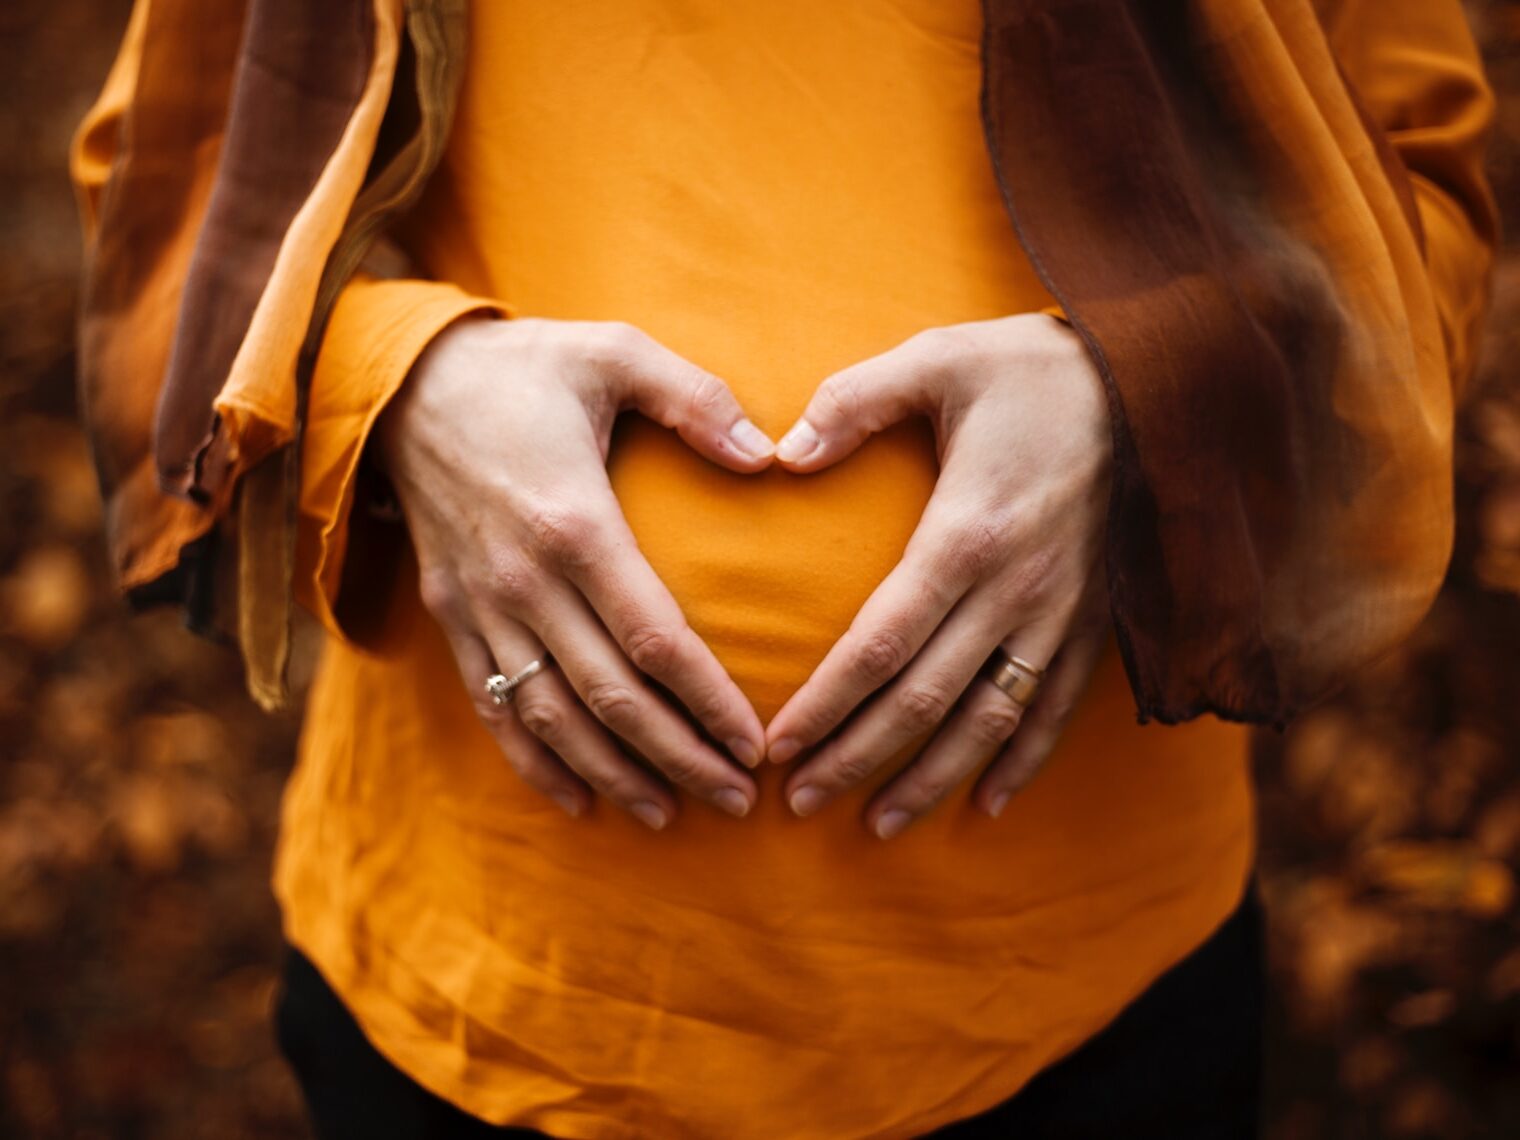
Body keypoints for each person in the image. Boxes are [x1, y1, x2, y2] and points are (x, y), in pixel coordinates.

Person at [70, 0, 1497, 1136]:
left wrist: (1143, 400)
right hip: (477, 1001)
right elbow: (172, 197)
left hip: (1079, 1009)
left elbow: (1413, 212)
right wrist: (394, 390)